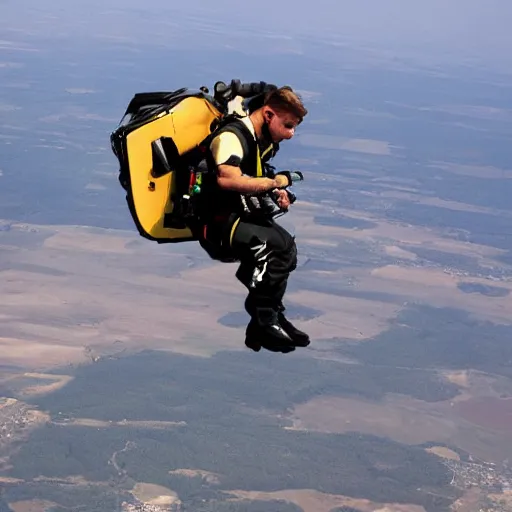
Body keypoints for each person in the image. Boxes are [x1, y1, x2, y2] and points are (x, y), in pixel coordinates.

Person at [198, 85, 311, 354]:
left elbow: (255, 177)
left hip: (234, 215)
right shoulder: (232, 137)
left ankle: (270, 316)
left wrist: (277, 190)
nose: (291, 134)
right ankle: (263, 321)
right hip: (216, 221)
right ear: (269, 114)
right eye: (288, 125)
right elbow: (227, 178)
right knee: (278, 250)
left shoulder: (262, 141)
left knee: (288, 249)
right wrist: (272, 182)